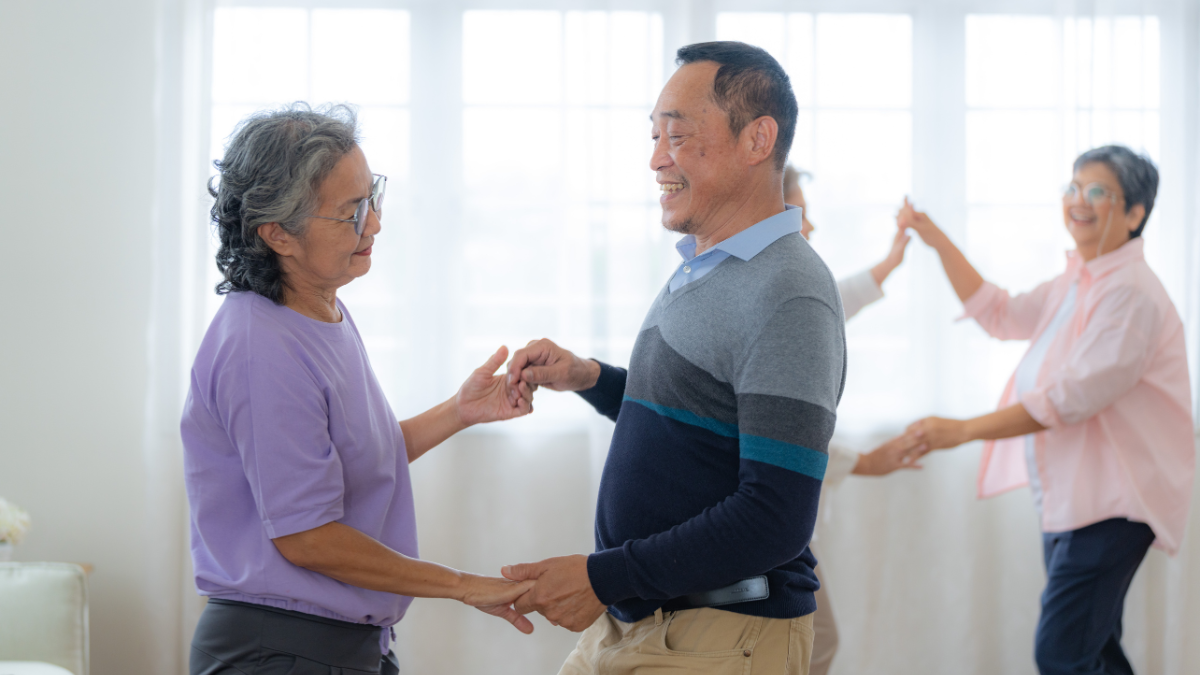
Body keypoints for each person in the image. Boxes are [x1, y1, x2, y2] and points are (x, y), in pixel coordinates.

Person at [499, 42, 845, 674]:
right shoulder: (707, 266)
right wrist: (591, 377)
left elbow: (775, 518)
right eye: (655, 136)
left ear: (757, 139)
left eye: (678, 137)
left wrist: (603, 577)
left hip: (720, 636)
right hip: (642, 620)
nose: (657, 159)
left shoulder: (789, 291)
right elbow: (703, 419)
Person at [181, 104, 537, 675]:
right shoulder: (260, 346)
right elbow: (307, 537)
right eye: (350, 213)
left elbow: (343, 464)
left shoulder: (321, 309)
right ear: (278, 235)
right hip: (280, 651)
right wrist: (465, 586)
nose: (374, 224)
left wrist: (460, 411)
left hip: (339, 644)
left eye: (372, 198)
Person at [898, 145, 1193, 675]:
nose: (1080, 200)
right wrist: (935, 238)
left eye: (1098, 191)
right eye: (1074, 188)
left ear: (1134, 213)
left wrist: (963, 431)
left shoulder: (1130, 295)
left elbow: (1069, 400)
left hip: (1115, 503)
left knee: (1061, 654)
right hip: (1076, 498)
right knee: (1093, 648)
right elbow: (1001, 313)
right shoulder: (1078, 281)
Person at [784, 165, 918, 675]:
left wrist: (891, 260)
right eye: (803, 217)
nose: (811, 230)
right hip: (763, 518)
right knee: (816, 643)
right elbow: (778, 431)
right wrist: (863, 462)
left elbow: (834, 304)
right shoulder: (772, 298)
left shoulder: (788, 294)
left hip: (775, 519)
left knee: (816, 641)